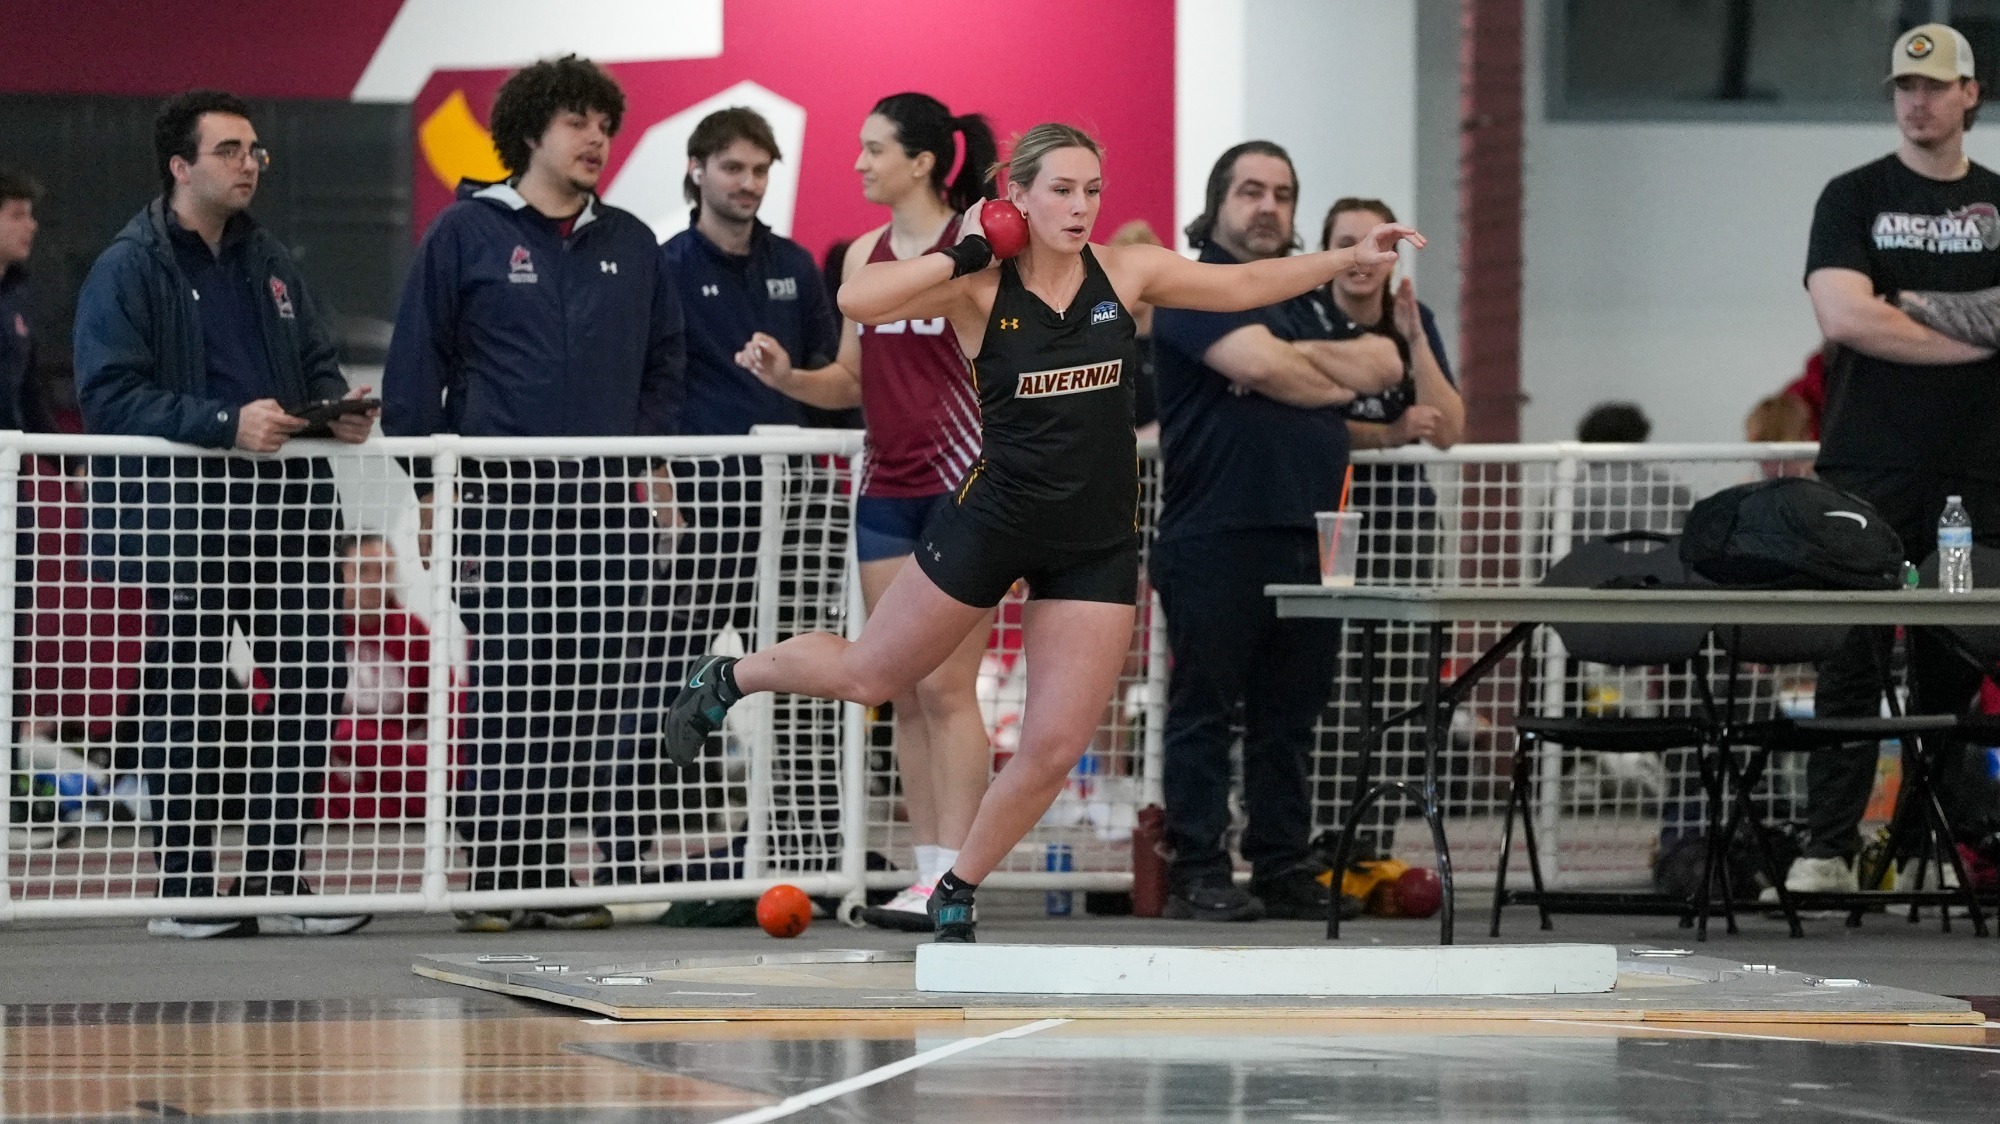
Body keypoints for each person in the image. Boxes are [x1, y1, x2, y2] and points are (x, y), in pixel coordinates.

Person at [662, 123, 1423, 942]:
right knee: (871, 675)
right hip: (994, 519)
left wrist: (1347, 259)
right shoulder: (980, 286)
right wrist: (966, 250)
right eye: (1061, 189)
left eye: (1092, 190)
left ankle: (955, 885)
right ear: (1015, 197)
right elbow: (860, 300)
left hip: (1095, 538)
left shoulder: (1125, 272)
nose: (1080, 206)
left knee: (1056, 745)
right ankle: (732, 675)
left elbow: (1243, 286)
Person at [383, 54, 684, 931]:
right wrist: (429, 488)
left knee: (590, 689)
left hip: (605, 509)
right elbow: (414, 369)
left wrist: (652, 458)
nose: (596, 139)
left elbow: (666, 363)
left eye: (605, 125)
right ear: (530, 130)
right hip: (501, 506)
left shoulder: (631, 240)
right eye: (578, 123)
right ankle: (500, 873)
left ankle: (558, 876)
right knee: (512, 681)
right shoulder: (463, 233)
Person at [73, 89, 376, 939]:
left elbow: (314, 363)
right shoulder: (127, 266)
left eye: (256, 151)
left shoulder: (271, 258)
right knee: (190, 695)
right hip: (184, 518)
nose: (251, 163)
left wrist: (334, 411)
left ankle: (279, 877)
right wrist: (220, 424)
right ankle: (188, 891)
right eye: (232, 150)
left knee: (315, 680)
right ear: (181, 166)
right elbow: (108, 397)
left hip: (283, 514)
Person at [741, 93, 1000, 931]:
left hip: (966, 490)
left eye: (874, 148)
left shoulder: (978, 246)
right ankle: (928, 874)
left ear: (922, 162)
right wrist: (788, 377)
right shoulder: (863, 254)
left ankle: (958, 883)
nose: (858, 162)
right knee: (900, 686)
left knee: (951, 687)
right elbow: (851, 381)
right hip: (887, 489)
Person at [1150, 143, 1407, 922]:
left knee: (1290, 720)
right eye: (1252, 191)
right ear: (1218, 200)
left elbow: (1386, 363)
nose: (1269, 207)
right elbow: (1266, 369)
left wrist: (1289, 362)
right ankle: (1197, 869)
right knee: (1204, 712)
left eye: (1284, 195)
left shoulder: (1307, 294)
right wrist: (1309, 375)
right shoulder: (1190, 284)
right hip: (1216, 531)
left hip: (1316, 532)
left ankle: (1280, 866)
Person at [1795, 22, 2000, 893]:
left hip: (1976, 471)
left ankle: (1931, 848)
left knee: (1954, 658)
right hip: (1866, 465)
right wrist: (1977, 329)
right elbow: (1844, 318)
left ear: (1969, 96)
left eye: (1934, 87)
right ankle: (1828, 848)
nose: (1917, 102)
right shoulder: (1851, 196)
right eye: (1904, 90)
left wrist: (1907, 305)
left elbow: (1879, 314)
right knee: (1851, 652)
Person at [1315, 195, 1465, 867]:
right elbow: (1304, 418)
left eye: (1375, 243)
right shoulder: (1307, 319)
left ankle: (1374, 841)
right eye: (1347, 242)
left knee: (1401, 684)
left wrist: (1413, 340)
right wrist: (1387, 434)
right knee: (1328, 681)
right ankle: (1321, 835)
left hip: (1406, 524)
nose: (1362, 257)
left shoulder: (1414, 320)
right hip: (1326, 516)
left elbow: (1449, 431)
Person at [0, 169, 53, 433]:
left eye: (30, 215)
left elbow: (28, 396)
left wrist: (71, 464)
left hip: (9, 469)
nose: (32, 225)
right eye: (17, 215)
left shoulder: (17, 300)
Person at [1106, 219, 1165, 438]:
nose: (1132, 283)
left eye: (1140, 272)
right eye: (1122, 273)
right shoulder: (1101, 347)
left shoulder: (1179, 342)